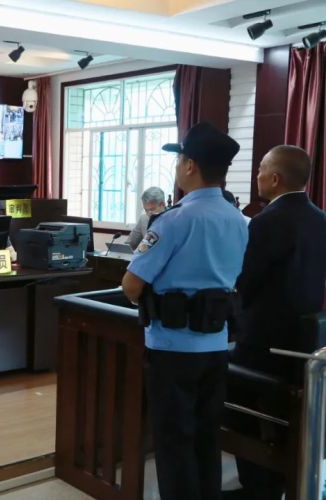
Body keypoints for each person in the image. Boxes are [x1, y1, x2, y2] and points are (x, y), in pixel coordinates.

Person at [121, 122, 248, 500]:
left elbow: (131, 285)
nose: (177, 167)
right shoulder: (239, 220)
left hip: (172, 347)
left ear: (190, 165)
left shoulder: (174, 220)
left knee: (174, 440)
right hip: (216, 345)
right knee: (206, 437)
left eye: (179, 160)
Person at [224, 146, 326, 500]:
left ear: (276, 178)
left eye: (261, 169)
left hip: (261, 340)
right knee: (284, 419)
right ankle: (279, 484)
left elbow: (246, 280)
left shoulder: (267, 221)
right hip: (303, 342)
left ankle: (257, 487)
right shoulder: (320, 217)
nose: (257, 175)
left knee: (238, 407)